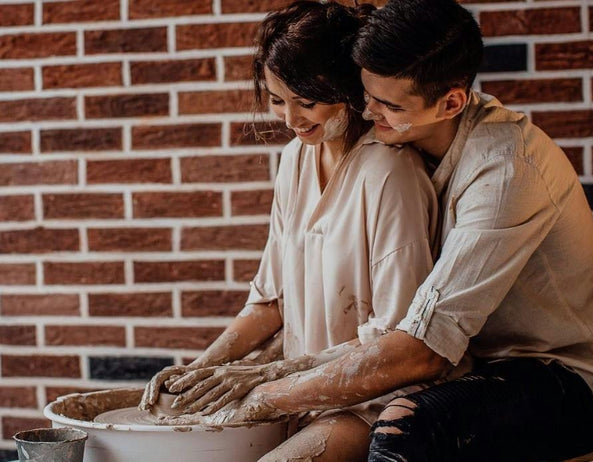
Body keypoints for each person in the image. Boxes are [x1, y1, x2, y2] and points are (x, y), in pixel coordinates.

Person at [139, 2, 440, 460]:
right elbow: (270, 301)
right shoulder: (294, 160)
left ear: (348, 89)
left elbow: (397, 342)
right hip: (297, 393)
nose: (290, 119)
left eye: (307, 101)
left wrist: (263, 380)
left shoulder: (389, 171)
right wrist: (200, 369)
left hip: (370, 399)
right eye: (278, 100)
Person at [348, 0, 593, 460]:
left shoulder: (507, 168)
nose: (367, 113)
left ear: (451, 102)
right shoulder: (407, 140)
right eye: (367, 94)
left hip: (568, 376)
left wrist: (267, 393)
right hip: (475, 363)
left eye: (387, 104)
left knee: (404, 426)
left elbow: (424, 350)